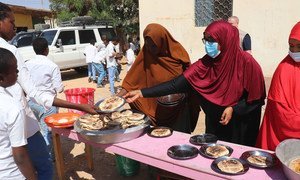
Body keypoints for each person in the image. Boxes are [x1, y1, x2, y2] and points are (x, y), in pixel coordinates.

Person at [124, 20, 266, 147]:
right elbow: (175, 84)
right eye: (206, 40)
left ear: (225, 40)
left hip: (239, 125)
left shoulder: (248, 63)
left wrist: (234, 108)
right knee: (214, 157)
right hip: (215, 123)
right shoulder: (204, 64)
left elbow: (256, 99)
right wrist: (142, 92)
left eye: (212, 40)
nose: (208, 44)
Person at [0, 3, 97, 179]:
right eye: (11, 21)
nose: (15, 26)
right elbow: (35, 93)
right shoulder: (10, 51)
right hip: (23, 126)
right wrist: (82, 107)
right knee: (43, 166)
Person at [119, 23, 200, 133]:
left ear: (162, 41)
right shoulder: (145, 56)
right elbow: (130, 84)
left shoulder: (178, 55)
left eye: (154, 46)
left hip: (178, 111)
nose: (151, 49)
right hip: (154, 110)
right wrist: (116, 98)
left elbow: (186, 82)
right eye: (148, 45)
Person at [256, 21, 300, 151]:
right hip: (283, 143)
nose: (294, 51)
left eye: (299, 46)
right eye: (291, 46)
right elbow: (281, 113)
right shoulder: (284, 69)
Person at [0, 48, 37, 180]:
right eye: (15, 70)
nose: (17, 73)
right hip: (11, 174)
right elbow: (20, 156)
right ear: (1, 78)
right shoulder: (13, 107)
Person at [25, 37, 64, 160]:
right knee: (48, 132)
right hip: (47, 105)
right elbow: (59, 88)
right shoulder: (52, 65)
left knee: (38, 130)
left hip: (31, 102)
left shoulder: (27, 64)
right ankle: (50, 157)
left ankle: (41, 155)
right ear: (46, 50)